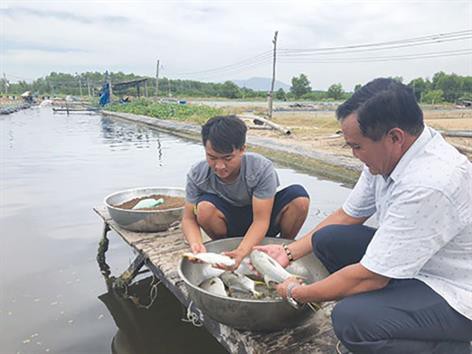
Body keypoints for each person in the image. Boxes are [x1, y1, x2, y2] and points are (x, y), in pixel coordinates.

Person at [256, 78, 472, 353]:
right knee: (328, 239)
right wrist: (287, 252)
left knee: (351, 319)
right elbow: (347, 215)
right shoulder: (389, 157)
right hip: (417, 265)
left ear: (395, 137)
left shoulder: (429, 182)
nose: (355, 155)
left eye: (357, 146)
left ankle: (448, 347)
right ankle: (400, 317)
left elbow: (371, 277)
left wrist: (297, 292)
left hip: (456, 292)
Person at [182, 115, 310, 269]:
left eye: (228, 158)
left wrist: (243, 252)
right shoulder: (198, 174)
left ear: (242, 150)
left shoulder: (260, 168)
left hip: (263, 219)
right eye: (212, 157)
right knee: (203, 208)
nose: (220, 166)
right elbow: (189, 219)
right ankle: (226, 248)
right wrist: (196, 244)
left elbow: (261, 220)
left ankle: (281, 248)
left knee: (299, 199)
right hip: (228, 221)